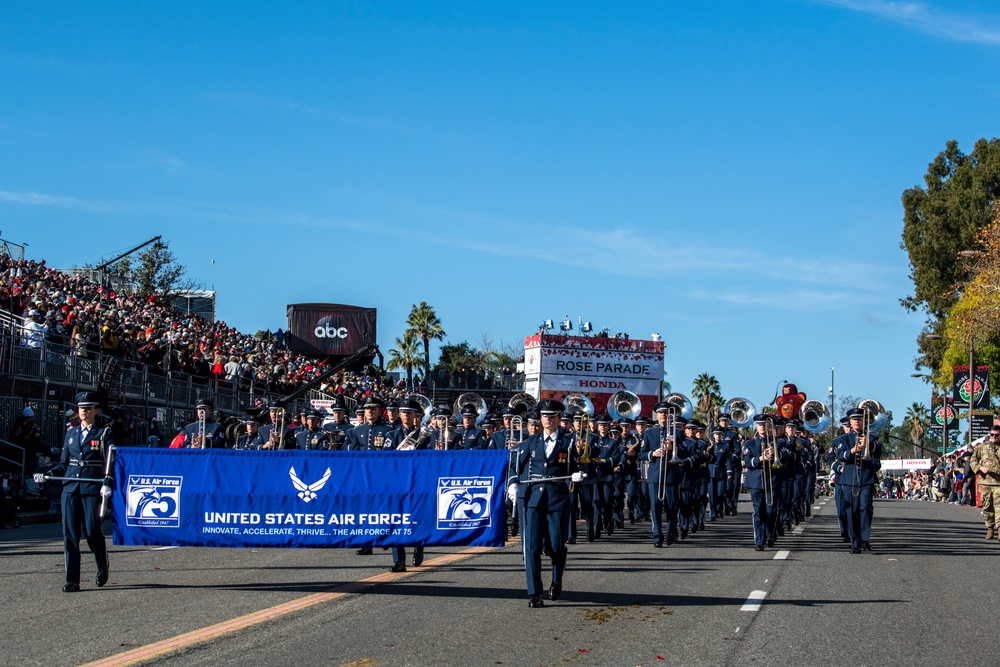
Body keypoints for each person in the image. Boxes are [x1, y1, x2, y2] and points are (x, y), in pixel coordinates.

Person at [34, 391, 114, 592]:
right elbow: (63, 463)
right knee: (69, 534)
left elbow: (111, 461)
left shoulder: (104, 433)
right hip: (70, 488)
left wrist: (107, 481)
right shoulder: (71, 434)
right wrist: (46, 474)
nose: (84, 411)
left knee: (91, 532)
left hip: (91, 486)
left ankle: (102, 566)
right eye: (81, 408)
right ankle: (72, 579)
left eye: (88, 408)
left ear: (96, 410)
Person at [506, 399, 583, 607]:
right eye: (544, 416)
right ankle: (534, 593)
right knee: (531, 548)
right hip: (532, 501)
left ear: (559, 418)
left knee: (556, 547)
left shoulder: (569, 443)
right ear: (540, 418)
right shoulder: (529, 443)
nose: (548, 419)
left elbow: (580, 466)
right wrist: (513, 485)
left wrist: (578, 474)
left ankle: (557, 580)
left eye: (552, 416)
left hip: (557, 500)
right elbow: (514, 469)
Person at [834, 408, 882, 554]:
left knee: (865, 507)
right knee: (852, 510)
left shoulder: (871, 437)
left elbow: (878, 452)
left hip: (866, 478)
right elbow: (841, 456)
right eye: (854, 419)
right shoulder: (844, 439)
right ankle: (855, 542)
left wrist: (868, 444)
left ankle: (865, 538)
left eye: (860, 419)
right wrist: (853, 450)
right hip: (849, 479)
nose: (857, 422)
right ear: (850, 421)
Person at [970, 425, 1000, 541]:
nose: (994, 437)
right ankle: (990, 528)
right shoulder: (982, 447)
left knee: (999, 507)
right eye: (992, 435)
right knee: (987, 506)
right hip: (985, 482)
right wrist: (980, 468)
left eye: (997, 435)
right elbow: (973, 460)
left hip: (998, 483)